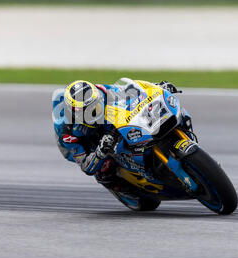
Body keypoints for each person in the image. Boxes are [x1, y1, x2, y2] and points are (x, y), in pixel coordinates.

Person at [52, 79, 180, 192]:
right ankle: (124, 190)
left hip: (106, 123)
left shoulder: (101, 91)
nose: (94, 111)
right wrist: (100, 152)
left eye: (94, 105)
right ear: (75, 113)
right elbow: (86, 167)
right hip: (85, 143)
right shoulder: (67, 134)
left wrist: (156, 87)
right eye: (88, 111)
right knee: (104, 169)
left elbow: (131, 90)